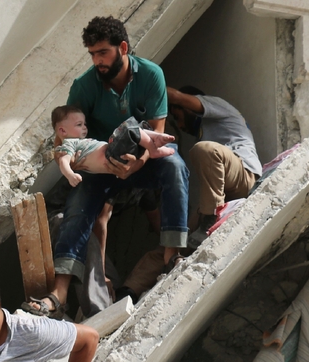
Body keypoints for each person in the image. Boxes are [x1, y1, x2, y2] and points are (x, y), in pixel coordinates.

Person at [23, 16, 189, 318]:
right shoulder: (84, 87)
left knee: (175, 165)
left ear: (122, 48)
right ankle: (59, 292)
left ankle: (172, 256)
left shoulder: (151, 76)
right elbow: (68, 140)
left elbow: (156, 135)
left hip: (142, 160)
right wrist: (88, 162)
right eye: (92, 54)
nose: (97, 61)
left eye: (103, 53)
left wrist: (135, 164)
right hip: (101, 166)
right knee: (77, 204)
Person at [167, 86, 262, 248]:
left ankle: (210, 218)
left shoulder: (218, 105)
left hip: (244, 177)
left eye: (177, 117)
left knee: (204, 150)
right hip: (223, 194)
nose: (180, 126)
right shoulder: (204, 131)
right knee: (175, 242)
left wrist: (144, 81)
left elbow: (176, 96)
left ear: (189, 107)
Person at [51, 105, 176, 187]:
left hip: (116, 154)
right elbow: (63, 161)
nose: (84, 127)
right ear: (63, 131)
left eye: (84, 124)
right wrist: (70, 175)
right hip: (112, 156)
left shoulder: (79, 142)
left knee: (135, 128)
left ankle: (153, 140)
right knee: (127, 128)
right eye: (79, 124)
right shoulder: (68, 144)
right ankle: (153, 148)